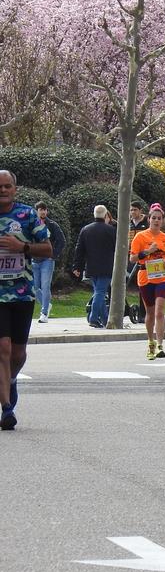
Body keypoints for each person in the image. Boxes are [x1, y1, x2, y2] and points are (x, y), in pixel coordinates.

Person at [0, 170, 52, 430]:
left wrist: (22, 247)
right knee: (4, 348)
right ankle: (7, 408)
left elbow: (48, 249)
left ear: (14, 189)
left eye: (7, 186)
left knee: (18, 353)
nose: (3, 190)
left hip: (22, 293)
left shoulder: (27, 215)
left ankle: (10, 380)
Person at [129, 203, 165, 360]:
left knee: (159, 310)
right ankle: (151, 342)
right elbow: (133, 258)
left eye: (159, 218)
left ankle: (160, 345)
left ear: (163, 221)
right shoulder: (140, 237)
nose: (156, 221)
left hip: (163, 277)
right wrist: (148, 251)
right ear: (148, 219)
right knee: (149, 312)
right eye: (154, 218)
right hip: (146, 277)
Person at [71, 204, 117, 328]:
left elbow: (79, 249)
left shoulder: (86, 229)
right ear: (105, 214)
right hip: (107, 266)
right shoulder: (111, 230)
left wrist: (77, 266)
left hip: (91, 266)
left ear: (94, 214)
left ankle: (105, 318)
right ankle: (94, 318)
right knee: (100, 292)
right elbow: (116, 249)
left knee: (98, 291)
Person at [31, 201, 66, 323]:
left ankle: (44, 312)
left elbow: (62, 241)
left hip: (47, 260)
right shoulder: (31, 224)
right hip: (34, 260)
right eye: (41, 209)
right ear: (36, 211)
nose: (43, 211)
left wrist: (53, 255)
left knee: (45, 286)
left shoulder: (52, 225)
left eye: (45, 209)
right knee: (34, 287)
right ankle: (46, 304)